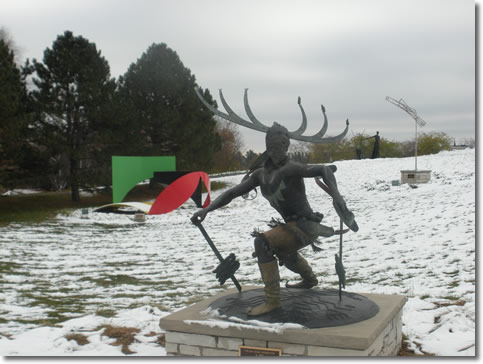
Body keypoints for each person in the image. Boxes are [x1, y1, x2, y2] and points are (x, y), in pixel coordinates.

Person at [191, 123, 358, 316]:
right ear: (267, 146)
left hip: (306, 226)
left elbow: (324, 170)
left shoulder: (292, 168)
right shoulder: (260, 175)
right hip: (290, 226)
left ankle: (272, 301)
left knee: (263, 243)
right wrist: (207, 209)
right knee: (283, 251)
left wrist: (337, 196)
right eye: (272, 145)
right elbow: (232, 192)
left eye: (281, 145)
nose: (276, 150)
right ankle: (310, 279)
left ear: (286, 146)